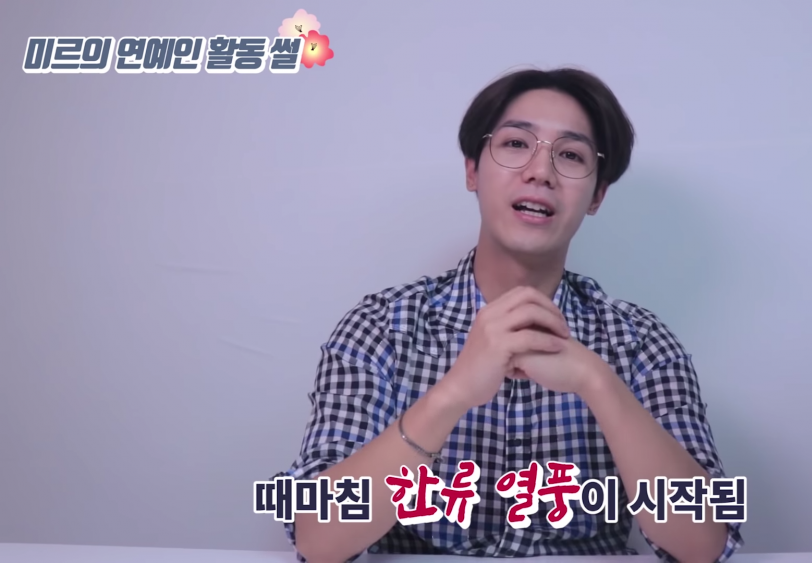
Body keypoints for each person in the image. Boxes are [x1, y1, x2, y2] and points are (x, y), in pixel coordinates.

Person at [274, 67, 744, 563]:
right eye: (517, 144)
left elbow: (703, 546)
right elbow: (317, 539)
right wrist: (455, 392)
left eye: (570, 155)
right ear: (472, 171)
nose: (541, 172)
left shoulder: (639, 341)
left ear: (597, 196)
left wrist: (598, 383)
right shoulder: (381, 328)